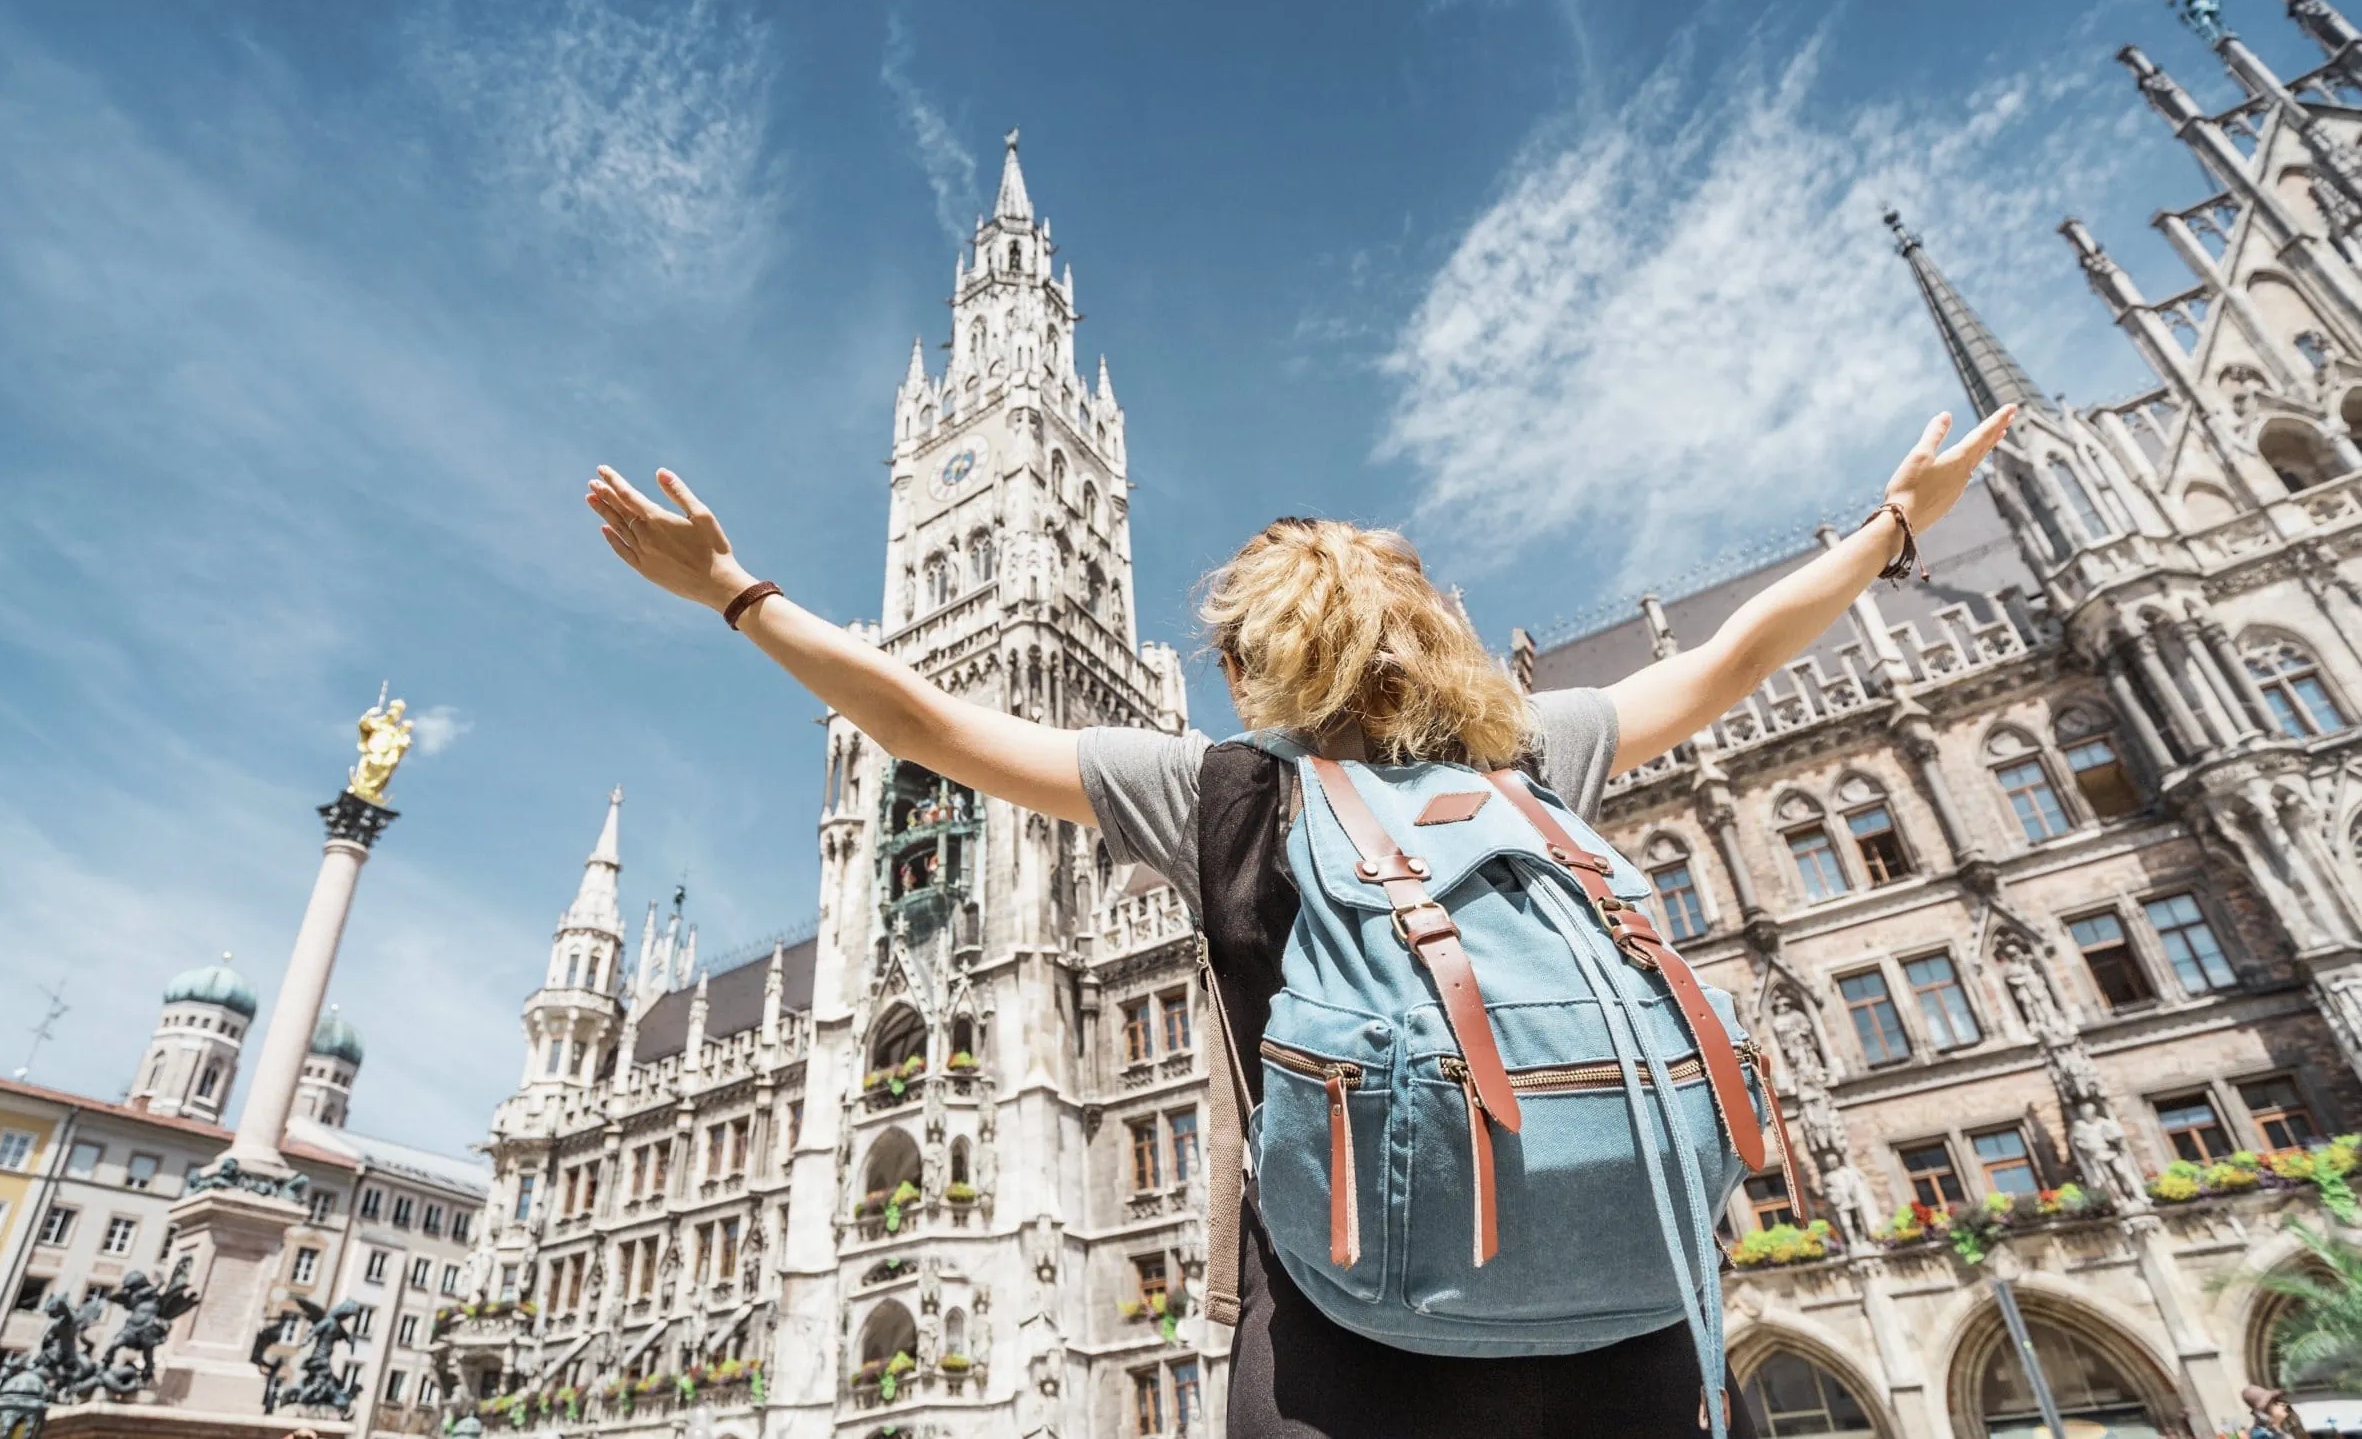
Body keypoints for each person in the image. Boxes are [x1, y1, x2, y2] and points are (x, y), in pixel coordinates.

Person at [586, 404, 2013, 1439]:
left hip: (1350, 1330)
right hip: (1621, 1313)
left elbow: (929, 722)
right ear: (1438, 637)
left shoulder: (1212, 791)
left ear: (1244, 662)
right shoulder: (1534, 756)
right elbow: (1731, 658)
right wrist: (1891, 527)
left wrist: (732, 590)